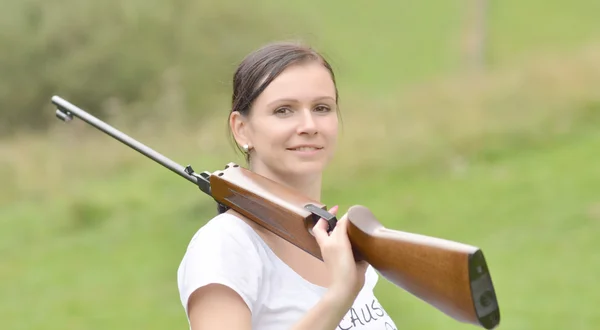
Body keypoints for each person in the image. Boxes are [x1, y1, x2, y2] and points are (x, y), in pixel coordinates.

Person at [177, 41, 398, 330]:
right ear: (241, 129)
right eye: (284, 110)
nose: (309, 125)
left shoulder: (337, 245)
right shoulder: (226, 245)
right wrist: (340, 294)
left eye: (321, 108)